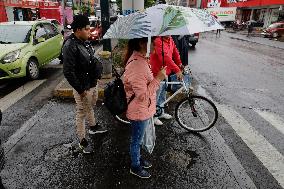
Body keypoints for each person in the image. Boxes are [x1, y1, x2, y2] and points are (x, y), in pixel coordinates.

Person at [63, 14, 107, 154]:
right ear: (78, 30)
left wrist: (98, 70)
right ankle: (82, 141)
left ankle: (93, 127)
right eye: (87, 29)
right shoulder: (70, 45)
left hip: (92, 83)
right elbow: (68, 72)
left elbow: (91, 60)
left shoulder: (86, 42)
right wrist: (81, 90)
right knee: (82, 112)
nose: (90, 31)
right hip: (82, 87)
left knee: (91, 106)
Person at [123, 37, 167, 179]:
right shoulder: (137, 65)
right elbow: (142, 95)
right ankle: (135, 166)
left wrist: (156, 77)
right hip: (138, 110)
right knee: (136, 140)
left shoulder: (142, 59)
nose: (156, 45)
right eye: (153, 43)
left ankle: (139, 158)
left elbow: (145, 84)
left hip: (143, 109)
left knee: (139, 138)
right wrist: (158, 78)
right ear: (143, 44)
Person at [150, 36, 183, 126]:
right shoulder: (158, 41)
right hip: (157, 73)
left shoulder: (170, 39)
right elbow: (165, 57)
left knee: (162, 94)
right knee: (156, 96)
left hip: (165, 72)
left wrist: (179, 63)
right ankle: (153, 116)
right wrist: (177, 70)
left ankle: (160, 113)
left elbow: (175, 52)